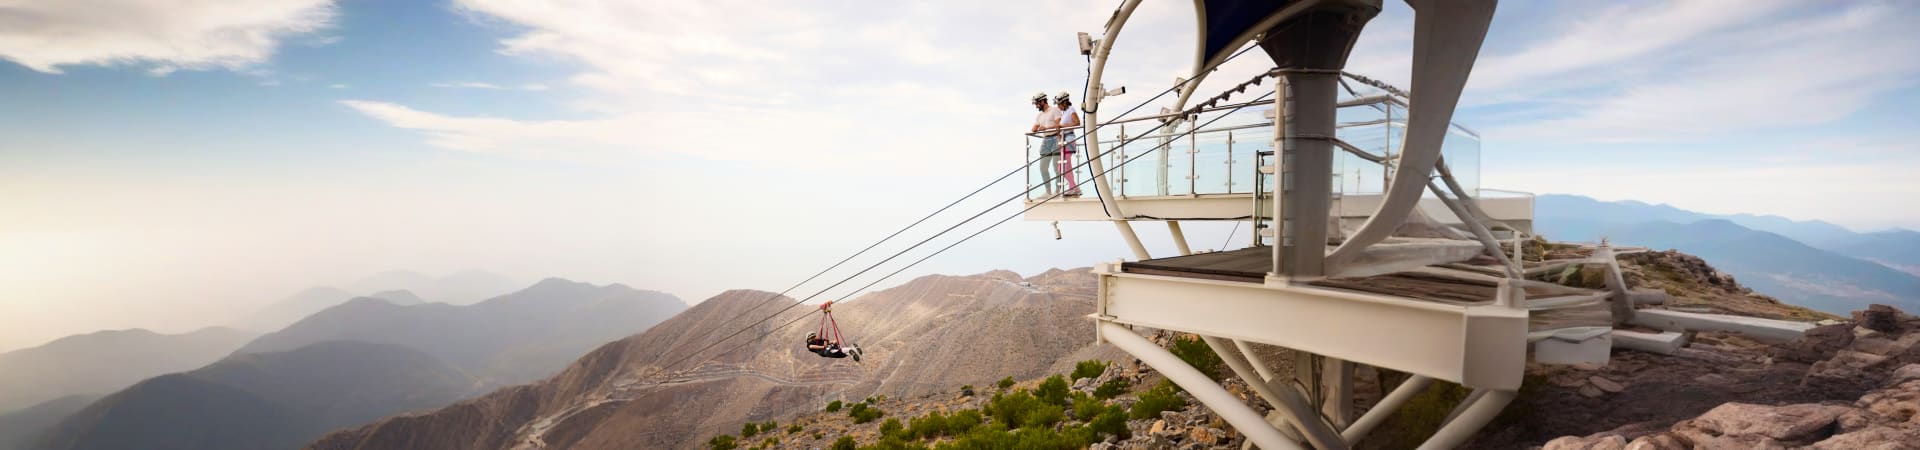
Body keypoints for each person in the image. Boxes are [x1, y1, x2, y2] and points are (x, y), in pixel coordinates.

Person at [1030, 92, 1062, 195]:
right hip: (1046, 140)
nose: (1036, 106)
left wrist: (1046, 128)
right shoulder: (1040, 115)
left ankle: (1058, 191)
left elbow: (1059, 125)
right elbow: (1035, 127)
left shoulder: (1054, 110)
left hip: (1056, 139)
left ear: (1043, 101)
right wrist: (1035, 128)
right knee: (1043, 168)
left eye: (1037, 104)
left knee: (1056, 167)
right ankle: (1048, 192)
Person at [1053, 91, 1082, 197]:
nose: (1058, 106)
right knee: (1063, 167)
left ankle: (1074, 188)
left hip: (1069, 139)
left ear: (1064, 102)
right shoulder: (1064, 113)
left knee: (1065, 166)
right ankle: (1073, 187)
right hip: (1064, 140)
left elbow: (1077, 122)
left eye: (1059, 104)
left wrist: (1064, 126)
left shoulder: (1071, 110)